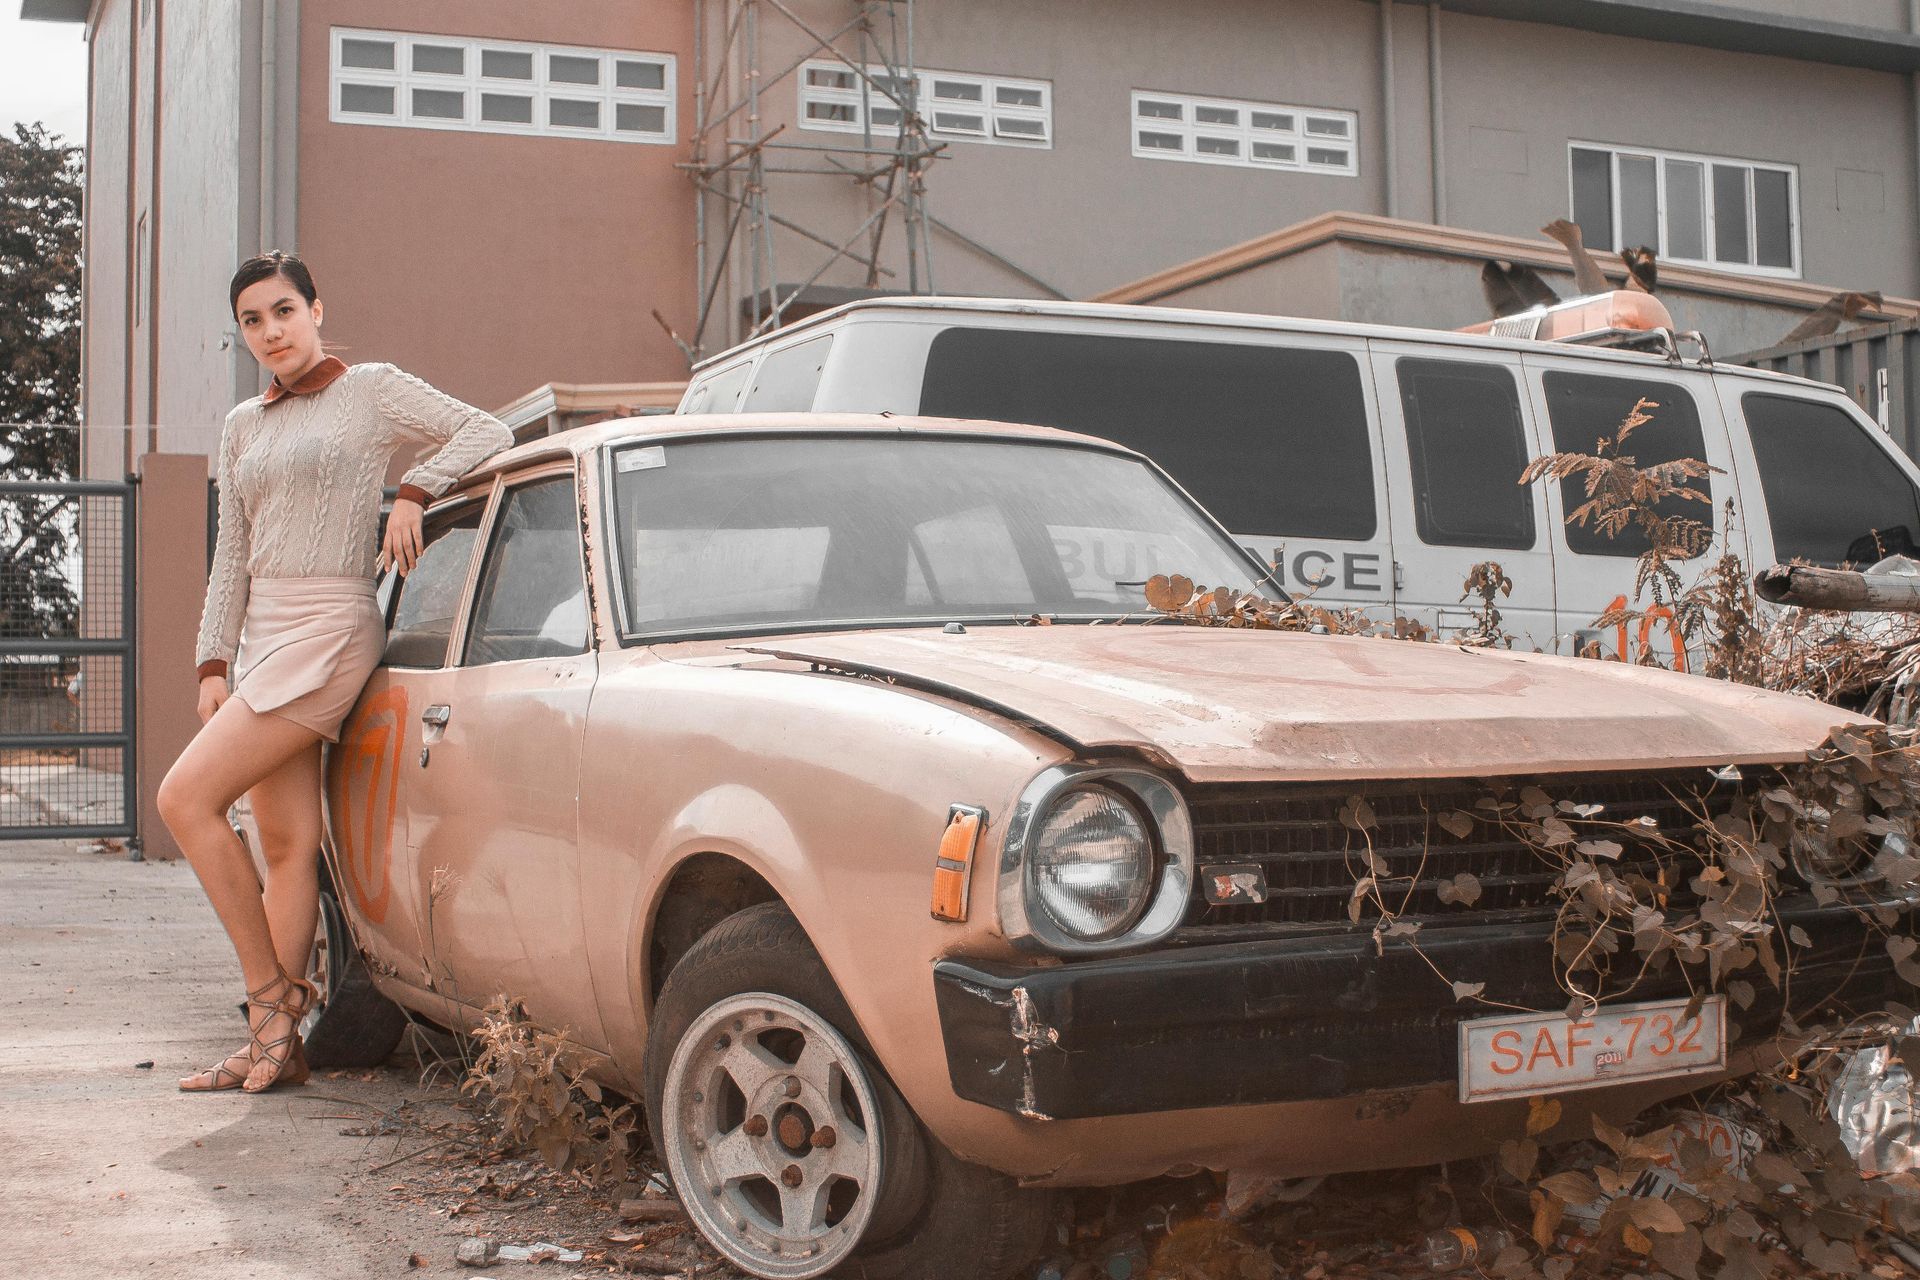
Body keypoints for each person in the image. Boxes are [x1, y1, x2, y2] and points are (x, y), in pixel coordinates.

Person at [160, 252, 513, 1093]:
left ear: (316, 307)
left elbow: (486, 430)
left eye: (284, 310)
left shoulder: (373, 388)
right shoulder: (243, 423)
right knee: (286, 846)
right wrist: (214, 660)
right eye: (253, 320)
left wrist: (415, 490)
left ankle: (268, 1003)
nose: (271, 332)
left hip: (329, 628)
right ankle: (277, 1047)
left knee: (182, 799)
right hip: (261, 634)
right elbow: (232, 552)